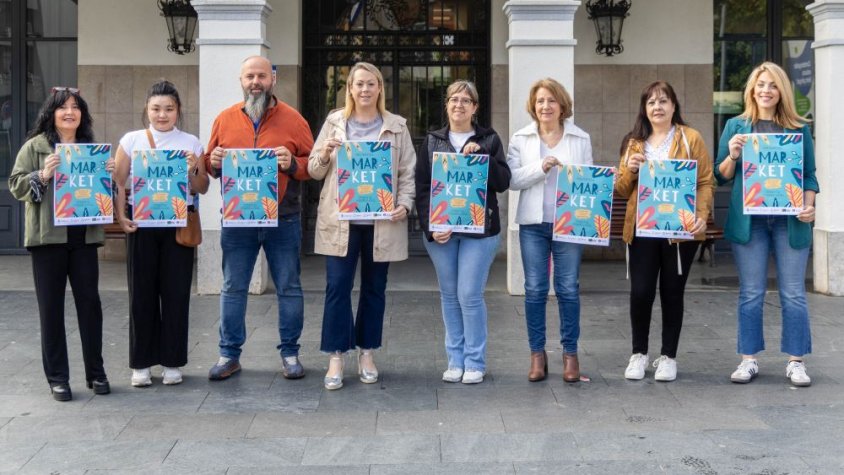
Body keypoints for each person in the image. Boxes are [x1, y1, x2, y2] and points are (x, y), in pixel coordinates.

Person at [204, 56, 314, 381]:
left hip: (284, 217)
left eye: (262, 76)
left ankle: (290, 354)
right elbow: (210, 164)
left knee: (289, 287)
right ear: (241, 80)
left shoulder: (294, 120)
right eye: (250, 76)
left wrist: (293, 163)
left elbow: (314, 164)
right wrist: (214, 161)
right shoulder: (224, 119)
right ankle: (229, 355)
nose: (256, 82)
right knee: (233, 287)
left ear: (273, 79)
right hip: (238, 220)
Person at [308, 62, 416, 390]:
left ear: (380, 88)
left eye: (371, 84)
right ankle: (337, 356)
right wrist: (325, 153)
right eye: (359, 84)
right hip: (342, 221)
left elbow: (407, 173)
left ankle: (367, 352)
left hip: (380, 223)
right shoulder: (334, 123)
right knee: (337, 288)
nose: (365, 90)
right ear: (350, 89)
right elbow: (313, 170)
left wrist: (405, 204)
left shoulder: (396, 126)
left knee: (374, 290)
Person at [715, 62, 819, 387]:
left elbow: (810, 176)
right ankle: (748, 359)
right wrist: (732, 155)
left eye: (773, 85)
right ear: (751, 89)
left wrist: (810, 205)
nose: (766, 90)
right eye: (761, 84)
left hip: (790, 221)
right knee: (751, 292)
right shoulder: (736, 126)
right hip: (751, 224)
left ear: (782, 91)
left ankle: (796, 361)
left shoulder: (798, 129)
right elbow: (719, 175)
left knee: (793, 293)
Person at [8, 87, 113, 401]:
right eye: (63, 107)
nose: (70, 112)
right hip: (47, 240)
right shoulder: (35, 146)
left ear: (82, 114)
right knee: (51, 310)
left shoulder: (91, 150)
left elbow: (104, 196)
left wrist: (108, 178)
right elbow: (16, 184)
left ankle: (96, 373)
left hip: (84, 238)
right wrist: (42, 175)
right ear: (51, 113)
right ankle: (58, 379)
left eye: (76, 107)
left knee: (90, 308)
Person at [615, 81, 714, 382]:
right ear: (644, 109)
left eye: (663, 101)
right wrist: (630, 170)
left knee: (672, 293)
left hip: (679, 231)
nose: (657, 107)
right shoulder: (634, 142)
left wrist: (701, 215)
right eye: (651, 102)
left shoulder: (690, 138)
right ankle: (638, 354)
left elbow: (705, 181)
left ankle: (669, 356)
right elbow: (620, 189)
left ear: (674, 106)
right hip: (642, 230)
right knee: (641, 292)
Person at [112, 80, 209, 387]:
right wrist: (120, 215)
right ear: (147, 110)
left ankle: (172, 362)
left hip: (177, 227)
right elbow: (119, 180)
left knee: (176, 294)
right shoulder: (132, 140)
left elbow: (203, 187)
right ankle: (140, 364)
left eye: (168, 109)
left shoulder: (191, 142)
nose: (162, 115)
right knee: (140, 295)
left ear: (178, 111)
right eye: (156, 108)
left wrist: (195, 169)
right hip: (142, 226)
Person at [415, 80, 511, 384]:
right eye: (454, 99)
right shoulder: (431, 140)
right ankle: (454, 360)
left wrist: (481, 156)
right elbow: (421, 188)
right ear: (447, 104)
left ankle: (475, 361)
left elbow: (503, 181)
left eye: (466, 100)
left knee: (469, 294)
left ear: (475, 107)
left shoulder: (489, 139)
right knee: (449, 295)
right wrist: (432, 227)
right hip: (442, 232)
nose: (459, 105)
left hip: (480, 231)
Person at [507, 78, 592, 383]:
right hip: (533, 225)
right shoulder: (521, 138)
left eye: (551, 101)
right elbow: (512, 180)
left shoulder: (580, 138)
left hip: (569, 225)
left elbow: (588, 183)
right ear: (534, 106)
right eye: (541, 101)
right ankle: (537, 355)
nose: (546, 106)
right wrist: (541, 167)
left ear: (562, 105)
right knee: (535, 290)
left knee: (568, 289)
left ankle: (570, 355)